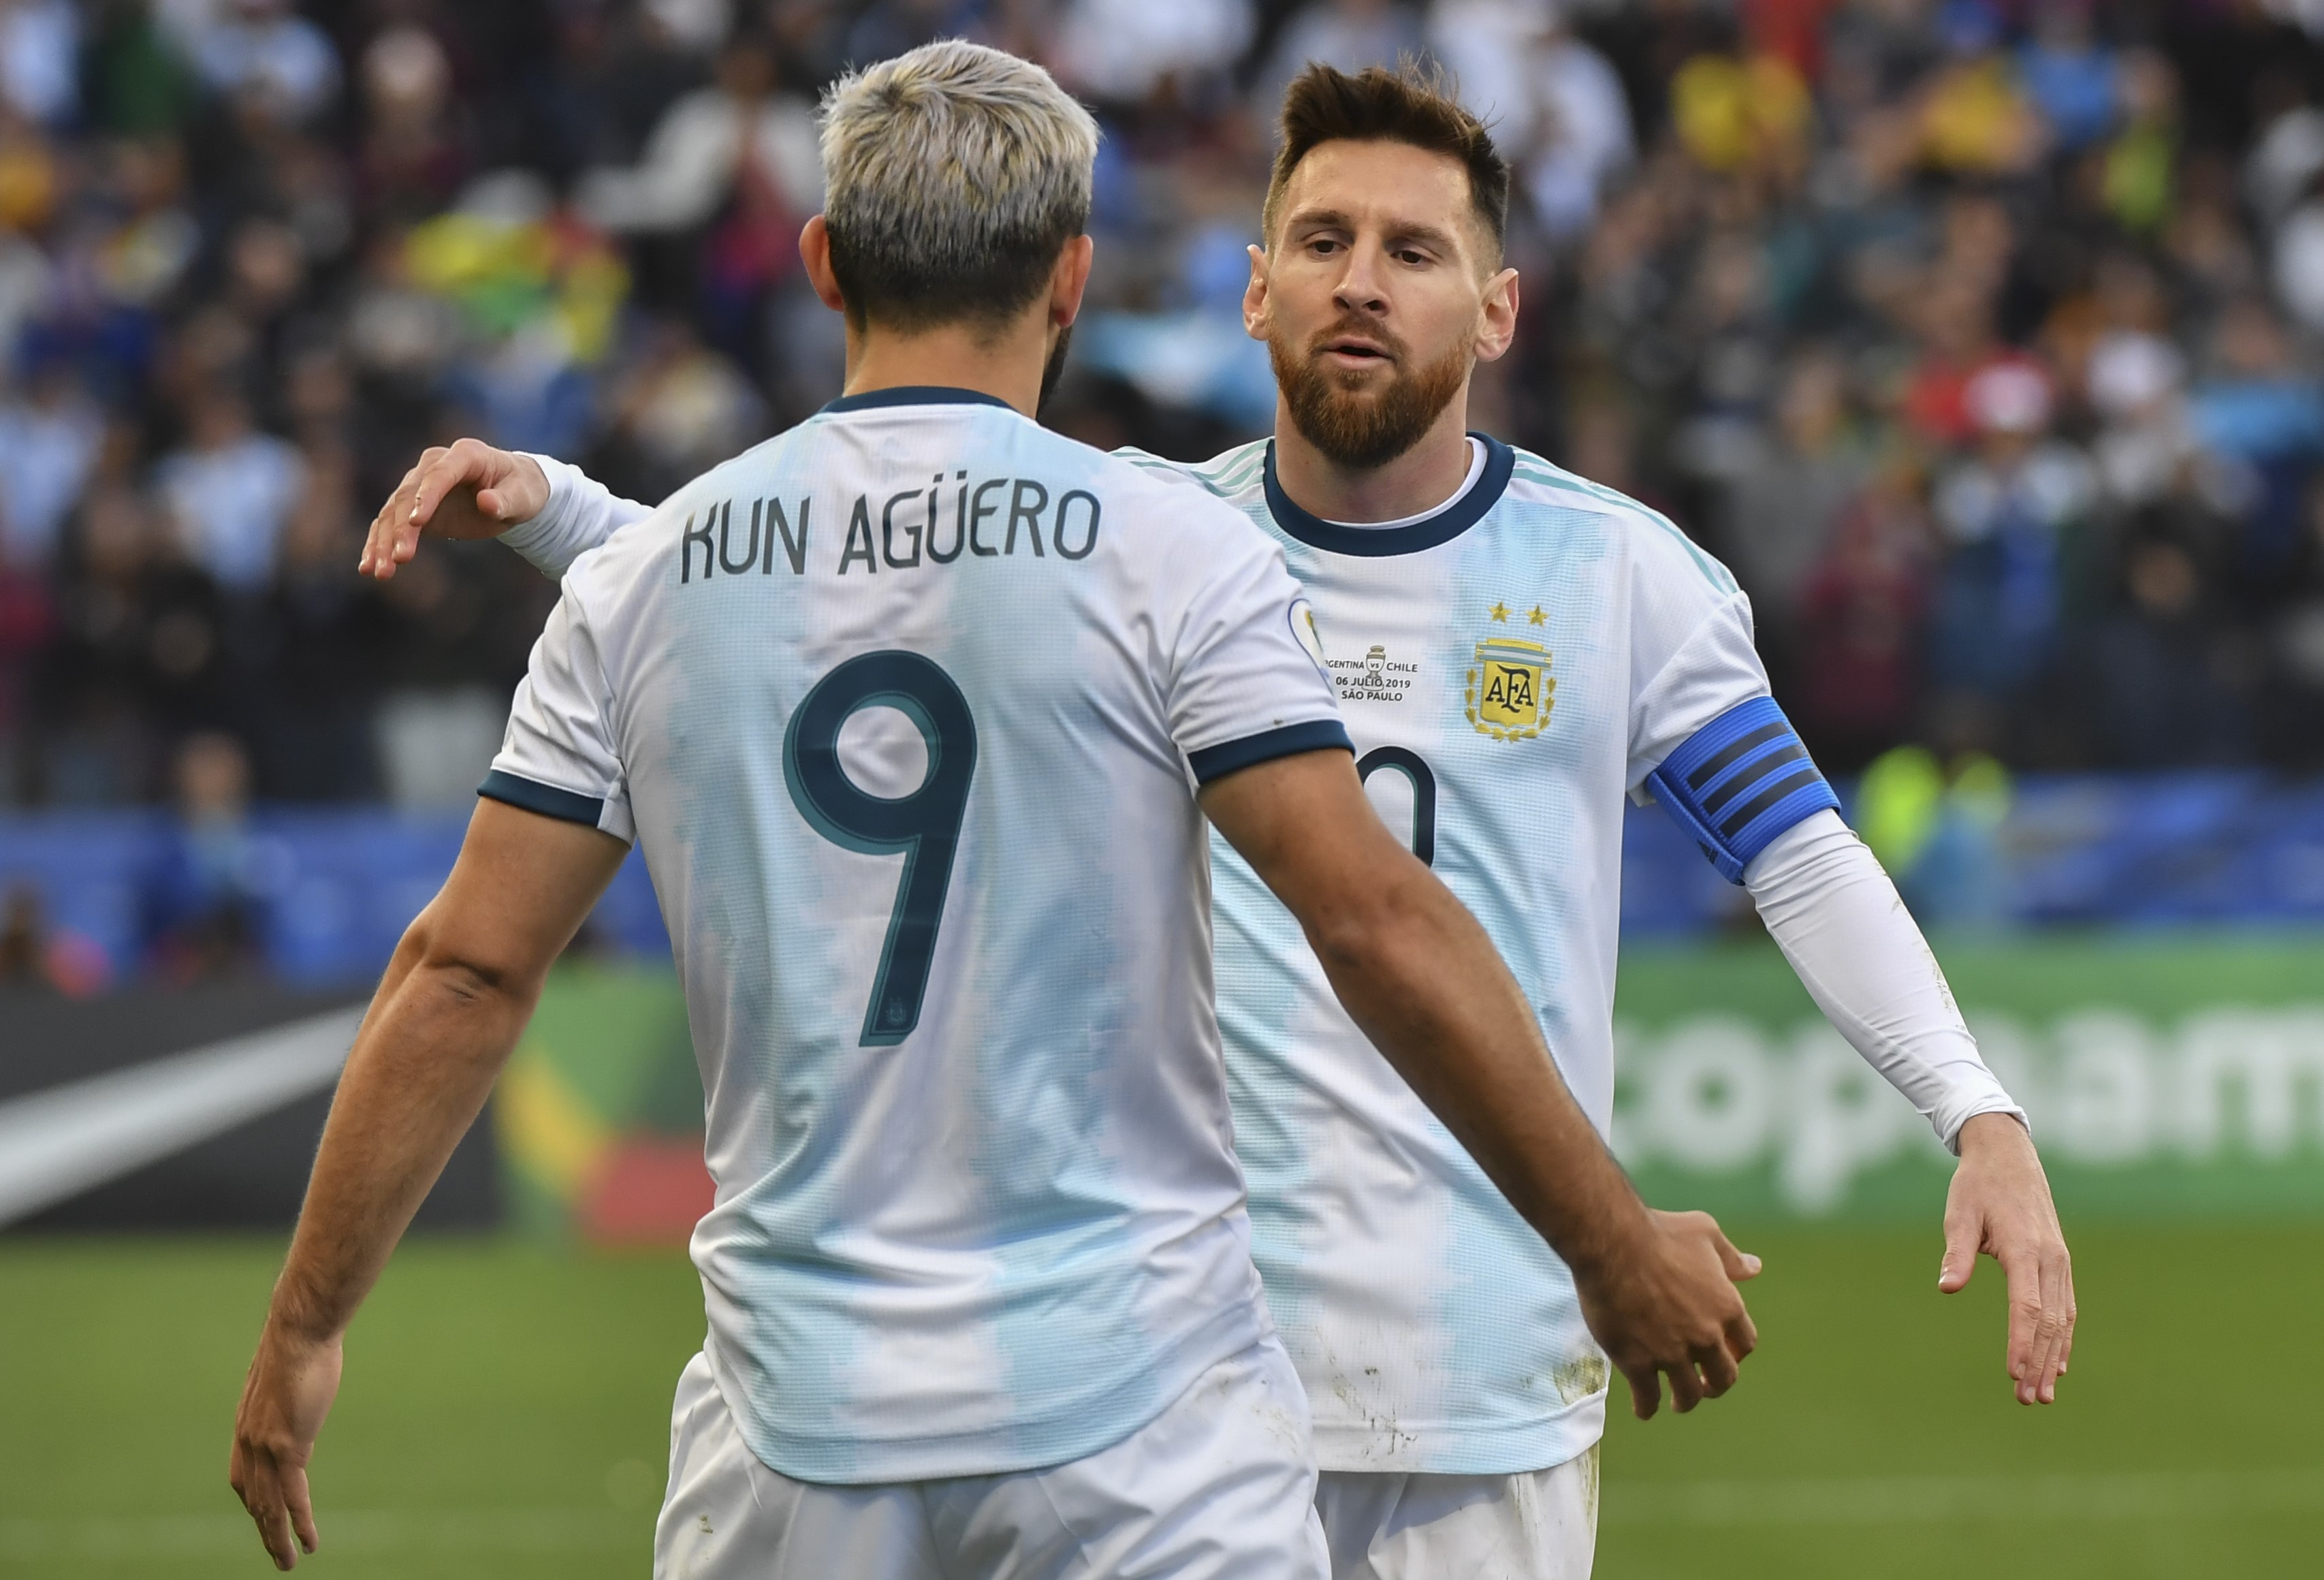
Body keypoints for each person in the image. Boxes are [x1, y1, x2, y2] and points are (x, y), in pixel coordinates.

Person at [362, 61, 2074, 1580]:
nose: (1361, 283)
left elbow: (1796, 847)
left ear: (1498, 311)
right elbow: (830, 573)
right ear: (1251, 292)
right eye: (1321, 242)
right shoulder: (1141, 544)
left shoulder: (1618, 576)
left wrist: (1972, 1107)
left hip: (1472, 1382)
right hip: (1162, 1392)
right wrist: (570, 515)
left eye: (1416, 253)